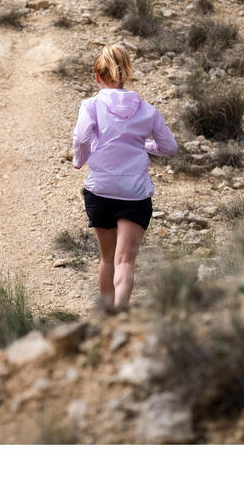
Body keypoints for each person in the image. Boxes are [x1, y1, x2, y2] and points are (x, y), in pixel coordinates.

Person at [72, 44, 178, 312]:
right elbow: (169, 148)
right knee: (125, 262)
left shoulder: (91, 105)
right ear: (126, 75)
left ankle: (108, 322)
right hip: (134, 193)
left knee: (107, 259)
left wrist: (80, 159)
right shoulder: (147, 111)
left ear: (97, 77)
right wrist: (145, 146)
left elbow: (82, 138)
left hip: (101, 191)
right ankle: (121, 316)